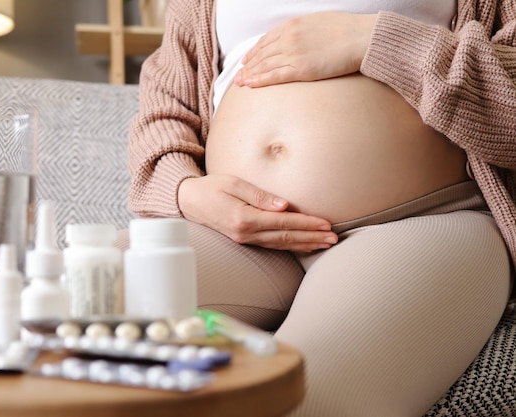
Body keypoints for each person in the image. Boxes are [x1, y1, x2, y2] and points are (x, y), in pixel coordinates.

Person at [115, 1, 516, 416]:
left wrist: (377, 42)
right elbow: (164, 102)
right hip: (237, 238)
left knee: (301, 399)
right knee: (69, 316)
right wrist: (185, 190)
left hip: (419, 225)